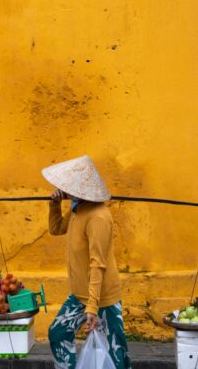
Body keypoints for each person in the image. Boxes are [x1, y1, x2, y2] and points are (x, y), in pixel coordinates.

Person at [45, 155, 131, 368]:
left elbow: (98, 264)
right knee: (58, 333)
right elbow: (56, 229)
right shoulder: (78, 208)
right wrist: (54, 205)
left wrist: (92, 308)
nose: (63, 189)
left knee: (116, 352)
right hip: (79, 295)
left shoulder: (98, 217)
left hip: (103, 299)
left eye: (67, 186)